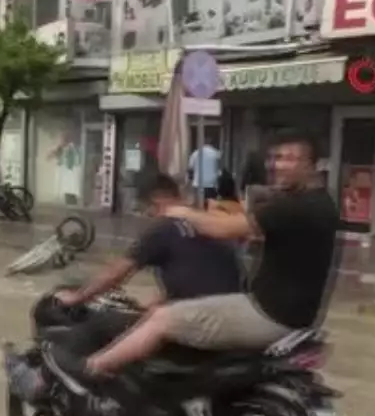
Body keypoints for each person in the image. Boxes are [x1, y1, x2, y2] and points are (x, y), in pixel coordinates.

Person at [82, 128, 341, 377]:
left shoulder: (294, 207)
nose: (277, 165)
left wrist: (179, 211)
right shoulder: (321, 202)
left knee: (161, 319)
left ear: (313, 165)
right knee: (158, 311)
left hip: (268, 316)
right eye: (275, 158)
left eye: (289, 159)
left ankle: (91, 369)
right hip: (288, 313)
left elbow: (223, 229)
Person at [51, 174, 243, 356]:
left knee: (95, 327)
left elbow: (115, 274)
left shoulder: (162, 228)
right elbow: (198, 273)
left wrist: (77, 297)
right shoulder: (208, 222)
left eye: (147, 210)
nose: (147, 216)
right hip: (229, 320)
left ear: (157, 200)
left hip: (196, 323)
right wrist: (155, 303)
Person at [188, 135, 221, 207]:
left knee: (198, 206)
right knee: (211, 207)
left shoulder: (195, 153)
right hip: (211, 185)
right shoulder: (216, 153)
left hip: (198, 184)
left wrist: (190, 181)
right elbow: (220, 169)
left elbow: (190, 169)